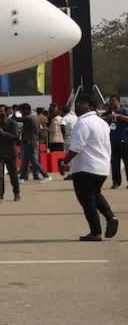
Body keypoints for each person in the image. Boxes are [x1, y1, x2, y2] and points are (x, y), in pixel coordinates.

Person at [60, 95, 118, 241]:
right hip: (101, 167)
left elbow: (77, 147)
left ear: (91, 106)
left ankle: (95, 232)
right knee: (95, 194)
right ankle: (111, 217)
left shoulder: (84, 122)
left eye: (81, 103)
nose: (78, 106)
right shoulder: (102, 122)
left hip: (86, 167)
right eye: (77, 103)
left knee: (86, 200)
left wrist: (64, 162)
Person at [0, 105, 21, 204]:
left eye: (1, 111)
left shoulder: (13, 123)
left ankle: (16, 192)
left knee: (13, 175)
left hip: (10, 153)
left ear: (6, 112)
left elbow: (15, 138)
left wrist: (2, 133)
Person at [18, 103, 50, 182]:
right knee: (25, 160)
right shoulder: (35, 117)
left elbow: (16, 119)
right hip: (29, 141)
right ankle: (22, 177)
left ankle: (46, 175)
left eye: (21, 111)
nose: (21, 113)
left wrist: (15, 112)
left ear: (26, 110)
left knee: (34, 161)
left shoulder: (30, 117)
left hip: (30, 142)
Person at [105, 96, 128, 188]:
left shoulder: (124, 110)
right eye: (110, 101)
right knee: (114, 162)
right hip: (113, 140)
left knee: (127, 161)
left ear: (118, 101)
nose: (111, 102)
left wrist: (119, 116)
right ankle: (116, 182)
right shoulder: (109, 112)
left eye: (113, 100)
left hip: (124, 139)